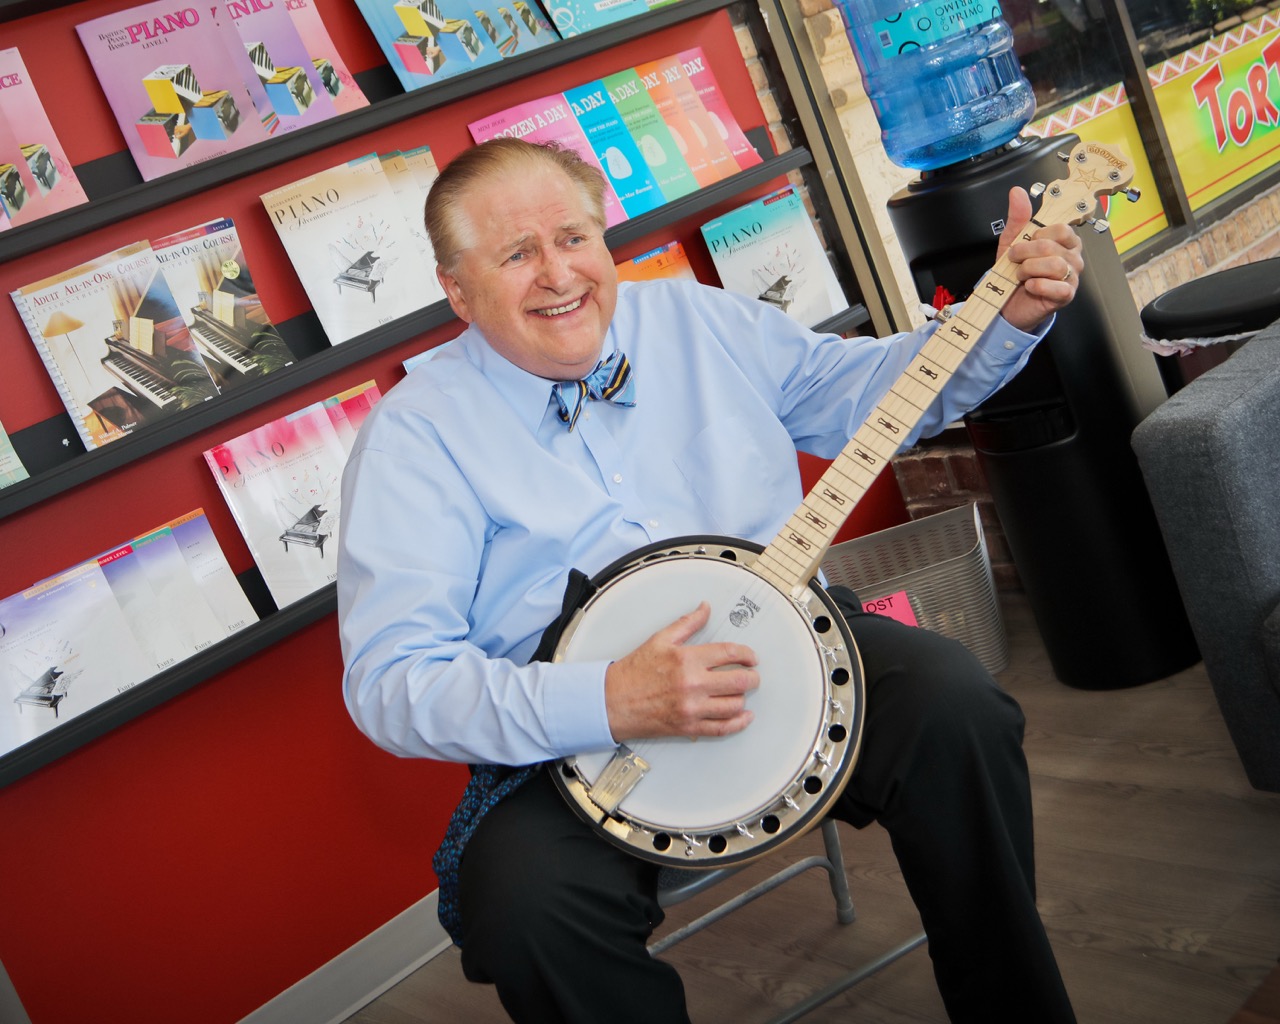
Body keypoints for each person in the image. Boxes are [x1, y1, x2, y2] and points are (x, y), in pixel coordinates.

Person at [337, 137, 1084, 1024]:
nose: (558, 274)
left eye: (573, 238)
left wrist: (1006, 317)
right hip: (577, 732)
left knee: (957, 705)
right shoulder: (413, 438)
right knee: (524, 908)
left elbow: (866, 393)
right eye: (515, 254)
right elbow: (391, 681)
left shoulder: (694, 320)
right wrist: (609, 698)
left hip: (789, 637)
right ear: (456, 290)